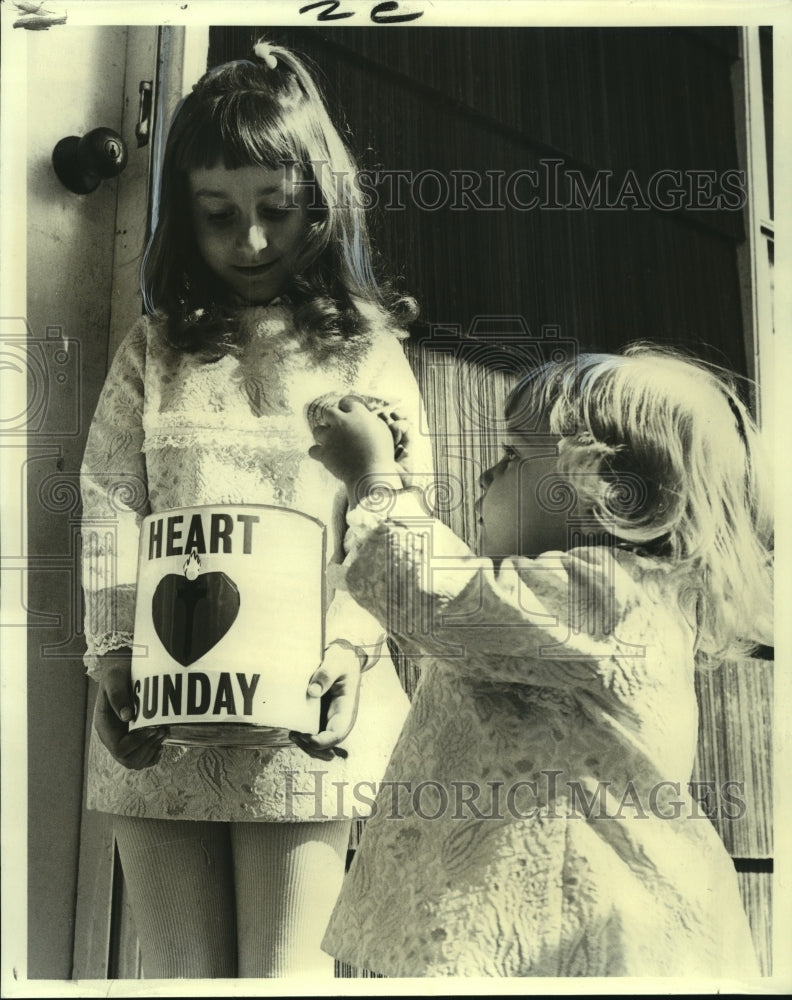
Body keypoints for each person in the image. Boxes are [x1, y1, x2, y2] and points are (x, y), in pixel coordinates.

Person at [79, 38, 433, 979]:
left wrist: (352, 650)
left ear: (319, 207)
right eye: (216, 215)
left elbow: (393, 509)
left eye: (276, 212)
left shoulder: (363, 352)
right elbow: (110, 499)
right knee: (186, 977)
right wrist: (114, 653)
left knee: (285, 975)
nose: (250, 242)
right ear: (180, 219)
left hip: (308, 707)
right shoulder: (153, 353)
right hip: (165, 704)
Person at [309, 345, 772, 978]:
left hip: (568, 936)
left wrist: (374, 481)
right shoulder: (578, 597)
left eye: (512, 459)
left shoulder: (609, 599)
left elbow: (435, 593)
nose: (483, 476)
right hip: (530, 935)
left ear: (605, 496)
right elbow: (448, 588)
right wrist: (389, 478)